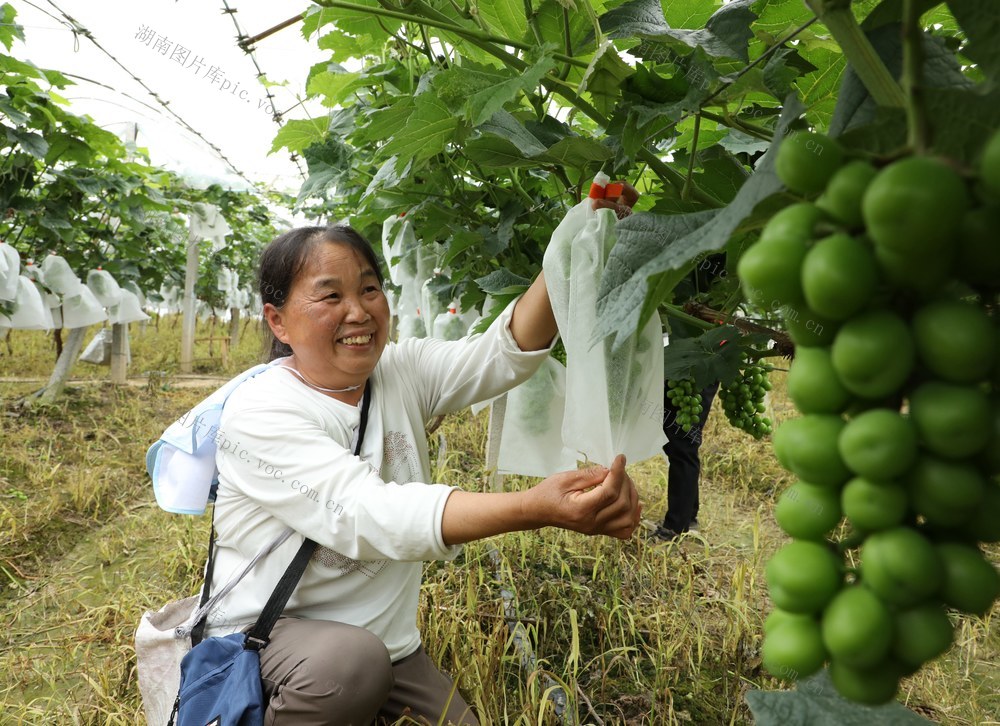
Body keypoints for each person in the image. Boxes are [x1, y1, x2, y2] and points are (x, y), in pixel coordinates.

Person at [202, 194, 640, 725]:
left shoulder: (399, 371)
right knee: (347, 670)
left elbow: (501, 353)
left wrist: (573, 241)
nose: (359, 311)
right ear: (279, 321)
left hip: (386, 648)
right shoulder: (262, 410)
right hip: (273, 642)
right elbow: (367, 514)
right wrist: (534, 507)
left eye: (369, 288)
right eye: (329, 296)